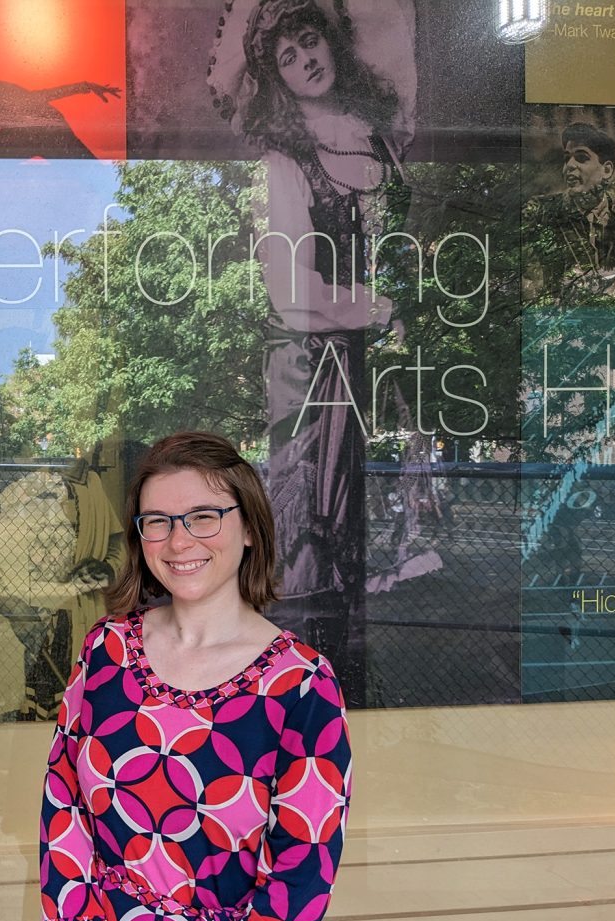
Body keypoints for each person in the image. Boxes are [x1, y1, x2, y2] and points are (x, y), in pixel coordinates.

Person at [40, 431, 351, 921]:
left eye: (203, 516)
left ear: (249, 527)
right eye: (157, 520)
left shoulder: (301, 685)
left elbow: (303, 873)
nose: (178, 541)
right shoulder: (105, 651)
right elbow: (62, 802)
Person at [208, 0, 417, 701]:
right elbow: (290, 293)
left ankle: (356, 707)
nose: (306, 61)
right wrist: (376, 309)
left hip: (372, 361)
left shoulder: (379, 139)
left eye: (310, 41)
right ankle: (303, 709)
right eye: (287, 58)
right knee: (313, 526)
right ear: (276, 78)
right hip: (312, 366)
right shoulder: (284, 158)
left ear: (333, 38)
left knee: (364, 526)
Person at [523, 121, 615, 305]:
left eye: (581, 158)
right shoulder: (540, 211)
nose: (569, 166)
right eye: (567, 158)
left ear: (607, 170)